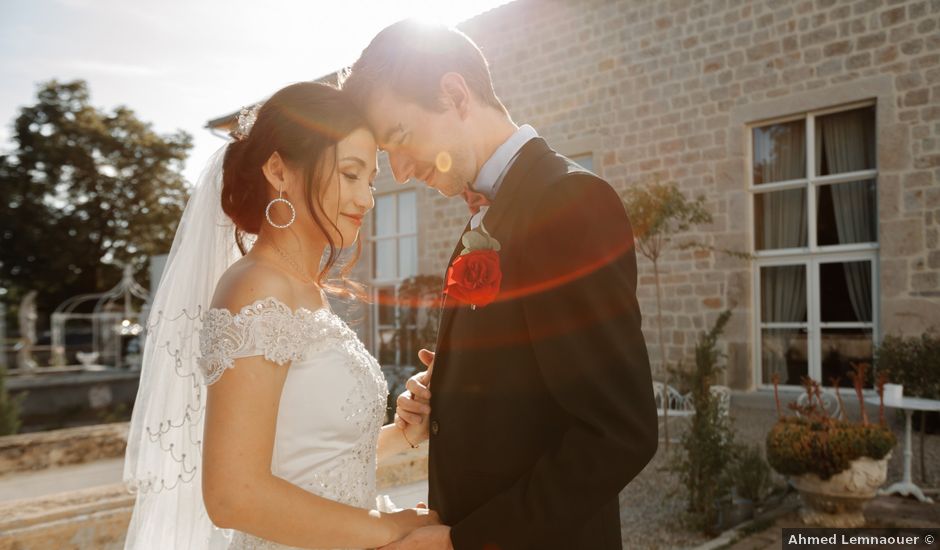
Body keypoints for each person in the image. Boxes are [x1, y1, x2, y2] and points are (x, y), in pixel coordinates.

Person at [343, 20, 659, 550]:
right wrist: (451, 392)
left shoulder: (568, 202)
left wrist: (463, 543)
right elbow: (540, 375)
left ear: (454, 94)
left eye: (398, 137)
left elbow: (619, 432)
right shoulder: (488, 213)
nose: (396, 171)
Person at [123, 81, 438, 550]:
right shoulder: (257, 287)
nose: (367, 199)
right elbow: (234, 496)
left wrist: (402, 435)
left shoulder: (304, 290)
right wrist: (391, 529)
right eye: (350, 175)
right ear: (278, 170)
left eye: (370, 181)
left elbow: (308, 460)